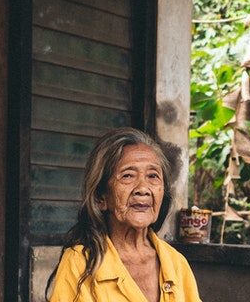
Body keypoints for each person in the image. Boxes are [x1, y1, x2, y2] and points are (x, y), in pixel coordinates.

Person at [48, 127, 202, 302]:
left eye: (153, 176)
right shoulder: (81, 263)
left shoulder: (176, 263)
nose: (143, 189)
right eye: (128, 176)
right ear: (101, 197)